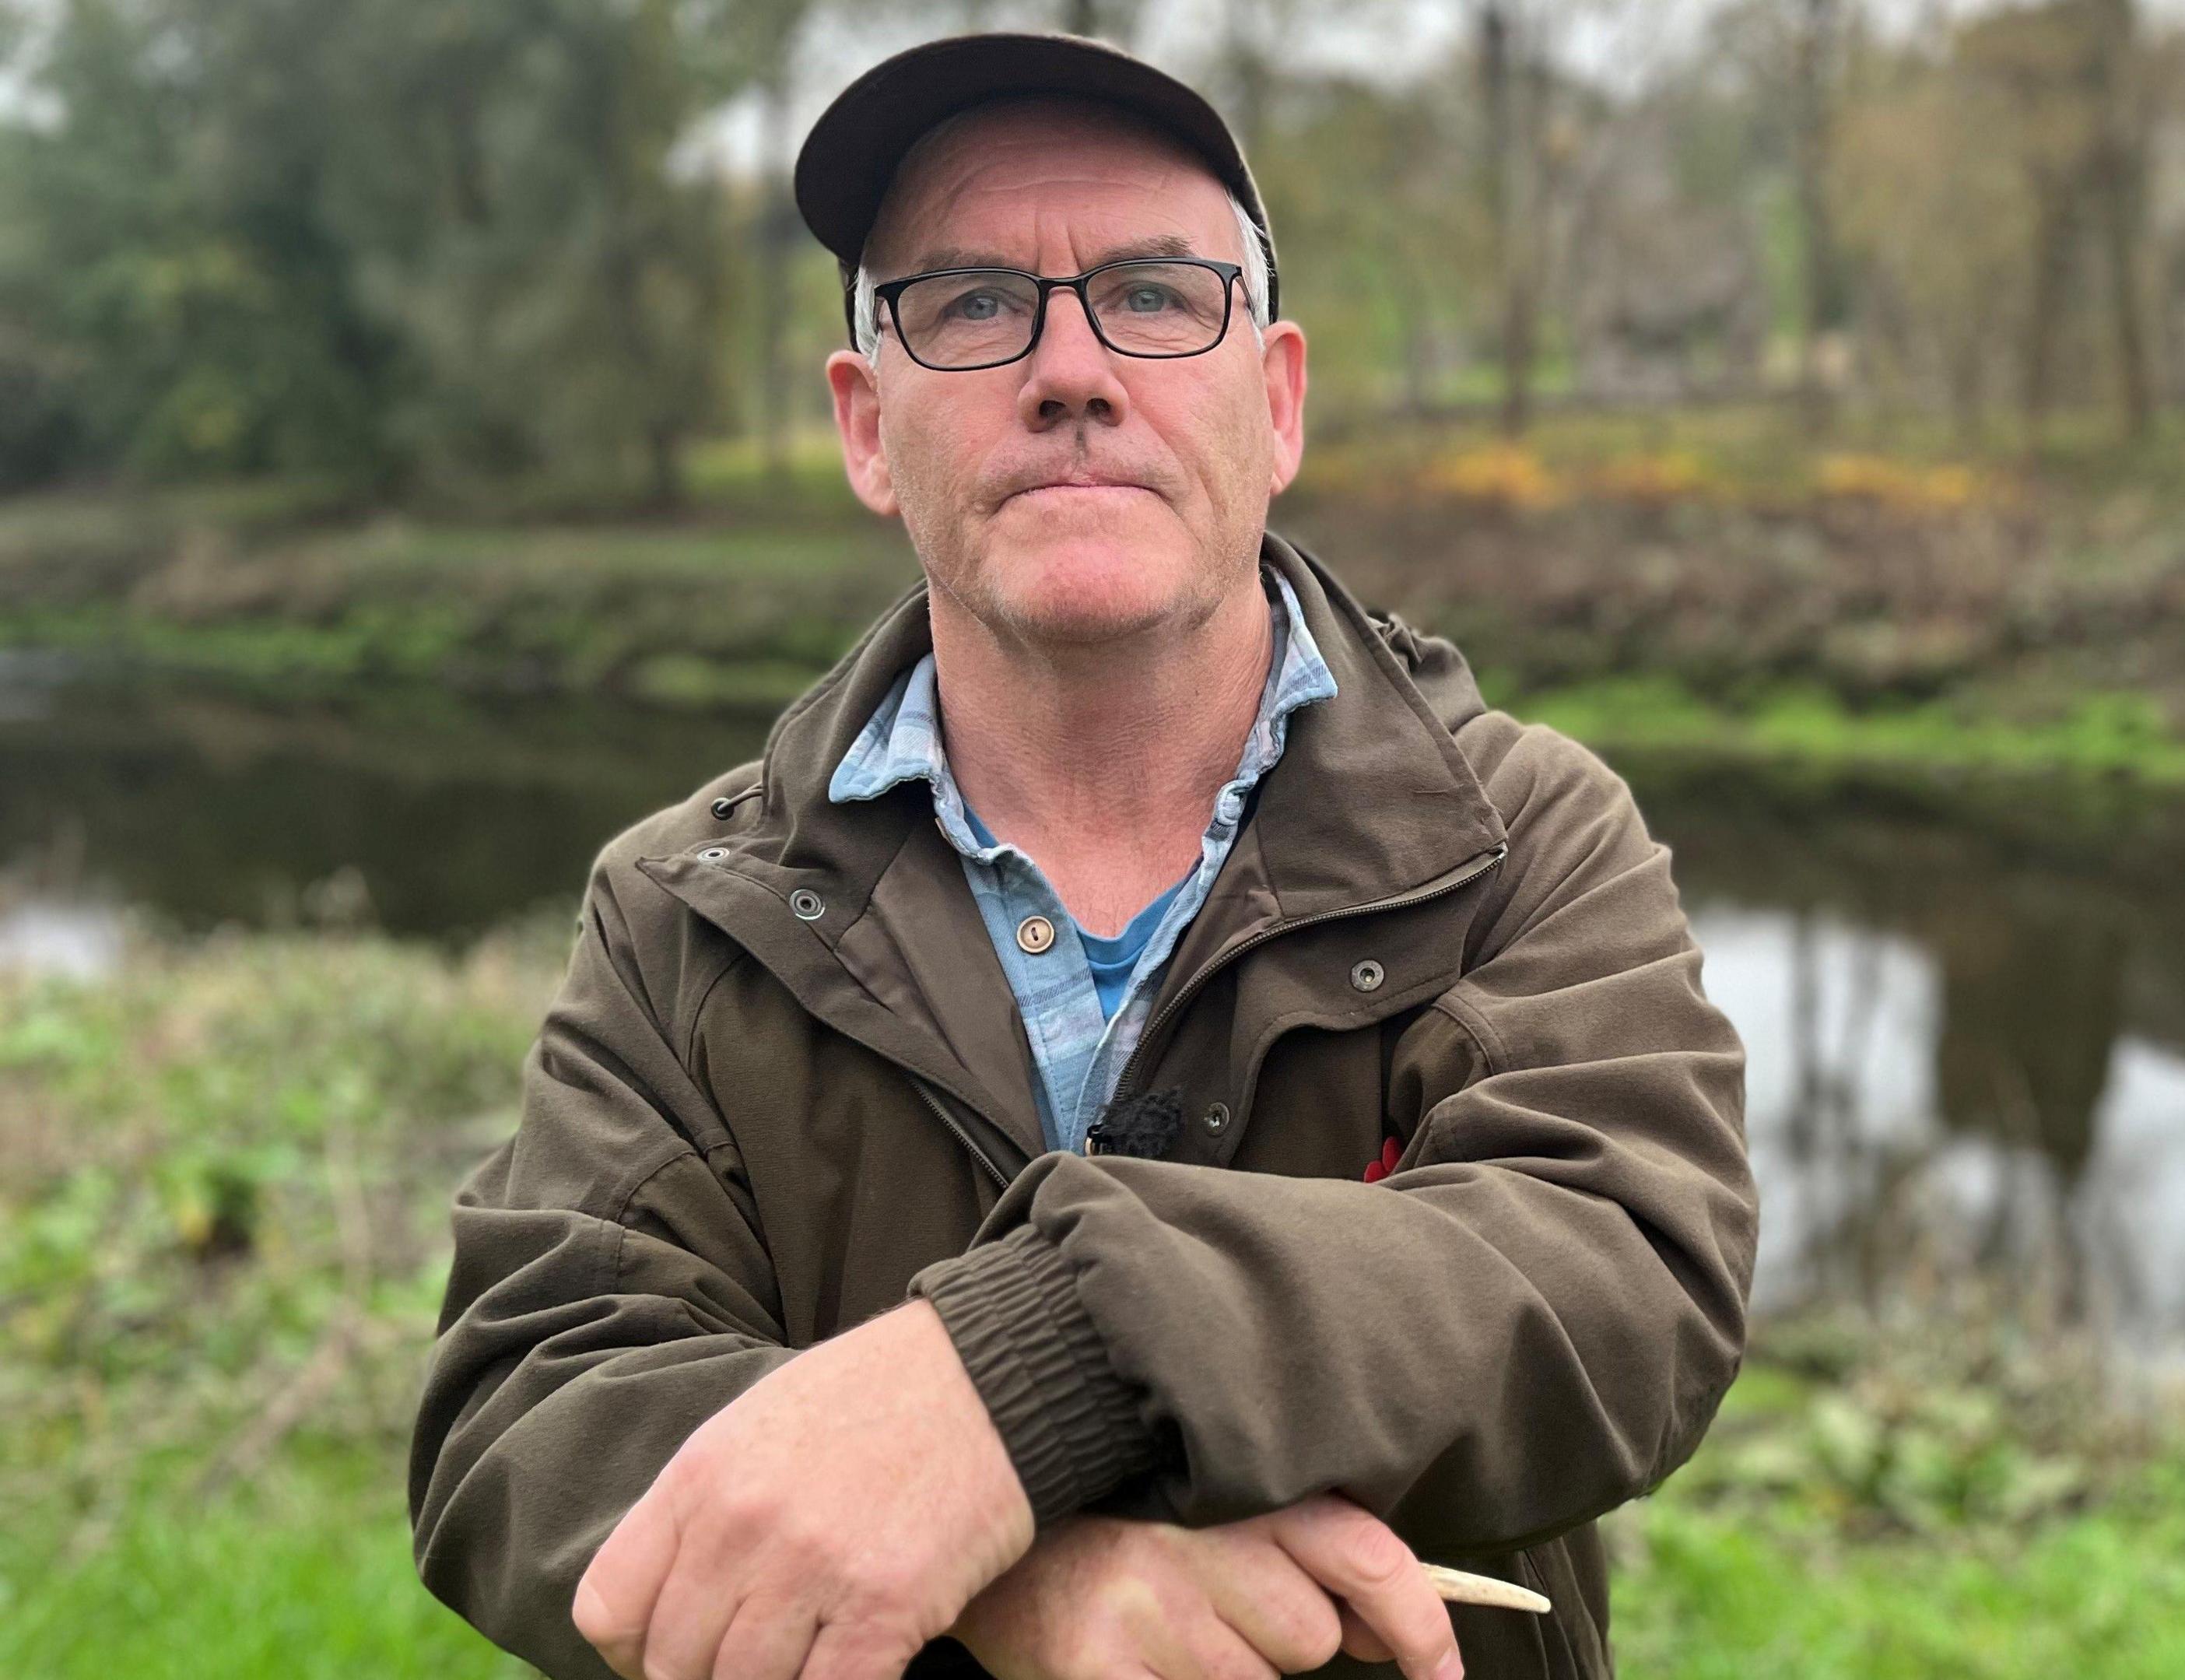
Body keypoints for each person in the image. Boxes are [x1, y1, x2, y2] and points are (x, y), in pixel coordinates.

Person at [406, 30, 1757, 1680]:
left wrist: (1043, 1363)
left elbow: (1624, 1270)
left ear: (1274, 403)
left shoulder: (1524, 835)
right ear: (863, 425)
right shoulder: (678, 913)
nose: (1069, 370)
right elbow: (525, 1408)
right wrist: (1007, 1590)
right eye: (970, 304)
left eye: (1159, 293)